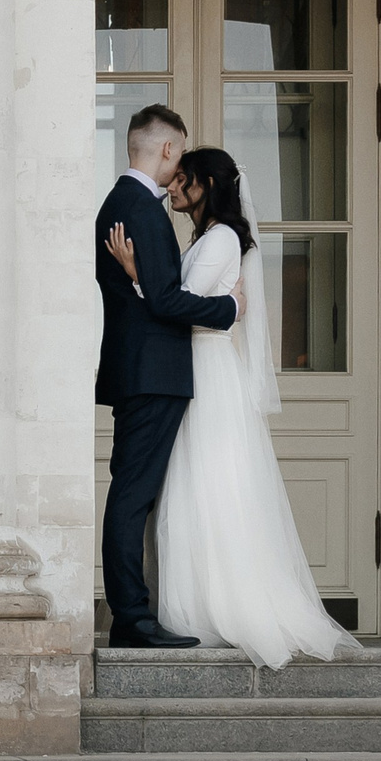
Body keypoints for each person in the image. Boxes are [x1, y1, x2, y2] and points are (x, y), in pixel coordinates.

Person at [106, 145, 361, 668]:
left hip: (206, 369)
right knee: (192, 489)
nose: (173, 188)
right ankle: (190, 604)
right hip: (192, 365)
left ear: (204, 185)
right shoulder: (206, 238)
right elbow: (175, 297)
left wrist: (148, 281)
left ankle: (216, 607)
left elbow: (180, 307)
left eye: (182, 180)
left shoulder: (221, 238)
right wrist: (144, 278)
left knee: (209, 486)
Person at [93, 105, 239, 651]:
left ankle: (136, 613)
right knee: (134, 497)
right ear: (168, 149)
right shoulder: (139, 205)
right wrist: (229, 309)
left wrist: (142, 280)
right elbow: (168, 298)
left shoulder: (125, 201)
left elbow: (151, 290)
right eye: (179, 151)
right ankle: (132, 618)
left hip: (143, 370)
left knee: (135, 496)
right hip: (151, 372)